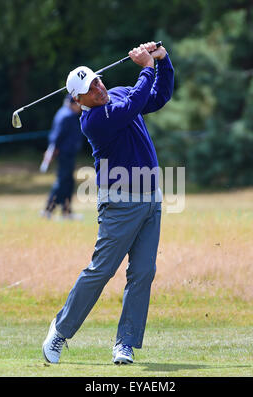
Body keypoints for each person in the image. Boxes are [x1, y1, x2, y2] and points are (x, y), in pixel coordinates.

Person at [42, 41, 174, 364]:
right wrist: (145, 68)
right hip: (120, 202)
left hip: (150, 198)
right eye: (90, 88)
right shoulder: (93, 122)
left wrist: (162, 62)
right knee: (102, 271)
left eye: (98, 80)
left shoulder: (115, 93)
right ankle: (60, 330)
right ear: (79, 100)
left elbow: (156, 97)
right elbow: (131, 107)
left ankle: (124, 343)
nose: (99, 88)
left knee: (143, 272)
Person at [41, 94, 84, 220]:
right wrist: (51, 151)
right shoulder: (67, 115)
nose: (81, 107)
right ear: (73, 102)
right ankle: (48, 209)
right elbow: (57, 135)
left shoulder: (65, 113)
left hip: (68, 154)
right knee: (62, 181)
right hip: (65, 154)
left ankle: (66, 211)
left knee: (68, 182)